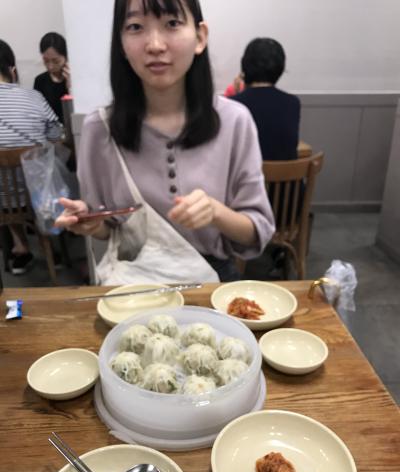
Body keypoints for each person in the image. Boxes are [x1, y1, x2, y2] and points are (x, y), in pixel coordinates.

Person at [55, 0, 275, 283]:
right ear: (121, 44)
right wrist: (90, 224)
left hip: (211, 279)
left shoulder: (235, 121)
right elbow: (108, 228)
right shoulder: (99, 129)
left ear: (200, 37)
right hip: (133, 283)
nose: (155, 45)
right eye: (136, 27)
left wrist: (215, 212)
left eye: (172, 23)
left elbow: (257, 232)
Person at [0, 39, 62, 274]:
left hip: (3, 201)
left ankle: (21, 246)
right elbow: (55, 134)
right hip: (38, 193)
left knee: (5, 192)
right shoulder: (34, 97)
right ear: (12, 70)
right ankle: (49, 243)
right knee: (41, 170)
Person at [231, 38, 300, 160]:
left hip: (247, 173)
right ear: (280, 68)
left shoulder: (234, 105)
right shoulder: (293, 103)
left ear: (244, 66)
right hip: (287, 173)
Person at [34, 32, 70, 124]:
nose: (50, 66)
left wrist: (71, 88)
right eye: (46, 61)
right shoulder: (40, 81)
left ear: (66, 57)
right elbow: (38, 113)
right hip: (50, 130)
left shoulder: (74, 78)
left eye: (56, 61)